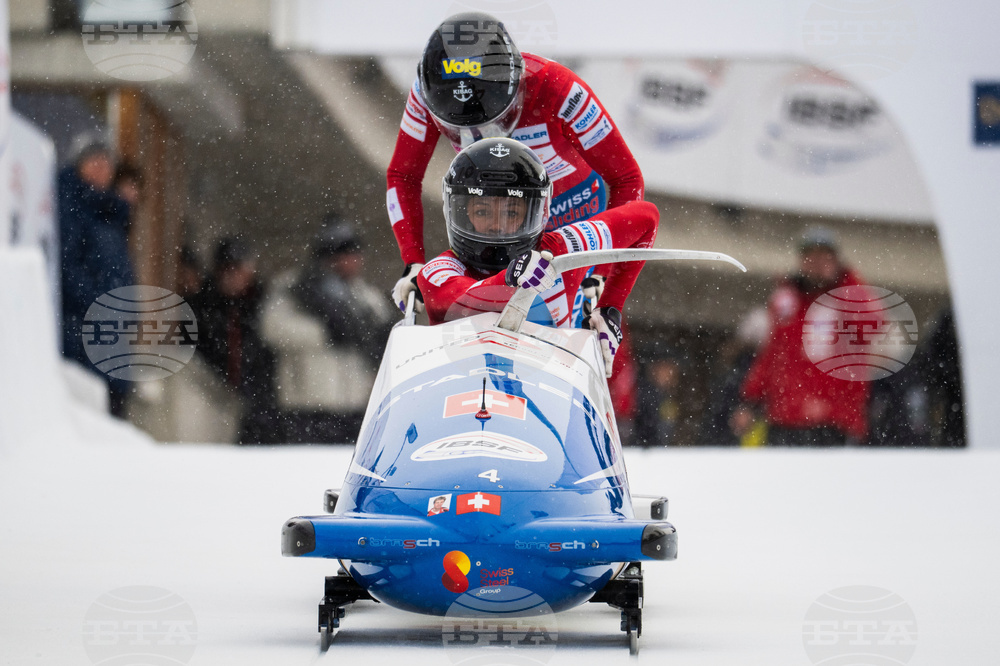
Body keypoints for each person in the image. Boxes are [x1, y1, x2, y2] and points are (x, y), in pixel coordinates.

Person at [387, 11, 645, 319]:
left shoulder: (562, 91)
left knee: (563, 327)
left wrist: (600, 273)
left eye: (492, 122)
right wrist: (413, 262)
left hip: (569, 217)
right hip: (491, 222)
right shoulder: (424, 92)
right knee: (477, 314)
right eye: (458, 130)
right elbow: (403, 174)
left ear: (518, 86)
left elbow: (627, 179)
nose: (476, 137)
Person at [416, 138, 657, 378]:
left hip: (546, 399)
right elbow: (467, 298)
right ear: (461, 212)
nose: (497, 226)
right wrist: (511, 279)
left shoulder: (560, 250)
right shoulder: (437, 271)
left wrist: (609, 307)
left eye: (511, 212)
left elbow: (647, 218)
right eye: (482, 211)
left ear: (537, 212)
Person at [260, 219, 396, 443]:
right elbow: (273, 328)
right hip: (307, 404)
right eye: (347, 254)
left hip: (354, 405)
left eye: (356, 254)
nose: (355, 261)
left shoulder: (363, 296)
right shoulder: (295, 285)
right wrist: (326, 333)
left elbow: (382, 334)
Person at [737, 228, 871, 446]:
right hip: (785, 419)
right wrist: (750, 401)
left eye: (823, 257)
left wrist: (845, 281)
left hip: (832, 423)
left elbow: (870, 326)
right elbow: (772, 356)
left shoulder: (848, 299)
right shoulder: (789, 302)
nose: (816, 264)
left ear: (836, 262)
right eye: (810, 257)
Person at [58, 133, 135, 417]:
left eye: (107, 161)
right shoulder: (70, 207)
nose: (102, 167)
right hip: (81, 342)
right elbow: (65, 269)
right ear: (79, 163)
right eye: (94, 160)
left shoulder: (110, 213)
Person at [191, 236, 279, 444]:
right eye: (227, 269)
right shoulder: (201, 307)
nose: (233, 276)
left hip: (259, 401)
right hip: (212, 398)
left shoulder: (264, 305)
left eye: (239, 269)